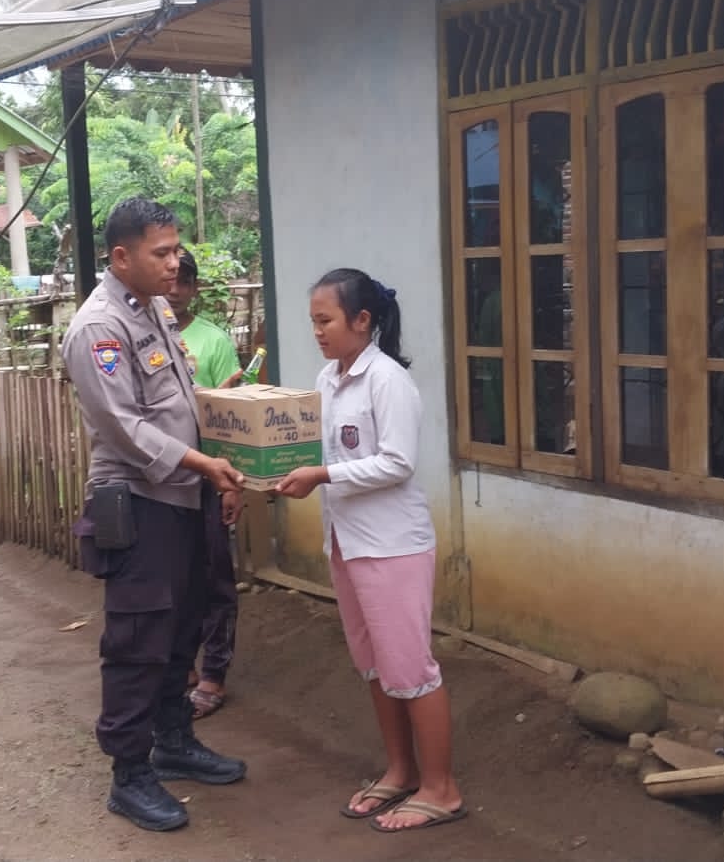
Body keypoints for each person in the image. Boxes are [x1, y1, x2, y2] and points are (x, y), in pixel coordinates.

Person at [61, 198, 248, 833]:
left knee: (185, 624)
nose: (175, 263)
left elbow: (181, 399)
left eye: (176, 250)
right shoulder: (99, 328)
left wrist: (218, 468)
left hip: (187, 495)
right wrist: (203, 465)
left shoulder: (156, 309)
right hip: (138, 501)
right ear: (121, 257)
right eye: (161, 253)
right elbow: (124, 428)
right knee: (139, 639)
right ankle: (130, 773)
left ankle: (173, 739)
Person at [274, 269, 467, 833]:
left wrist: (322, 475)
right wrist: (283, 466)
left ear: (362, 320)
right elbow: (327, 452)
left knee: (410, 667)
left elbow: (397, 463)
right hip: (348, 541)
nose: (317, 332)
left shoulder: (387, 380)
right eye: (313, 321)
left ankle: (442, 789)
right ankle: (401, 770)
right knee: (376, 665)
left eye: (325, 320)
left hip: (392, 547)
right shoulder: (329, 379)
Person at [165, 247, 242, 718]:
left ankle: (214, 672)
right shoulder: (145, 334)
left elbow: (233, 420)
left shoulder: (213, 341)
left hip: (210, 477)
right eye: (169, 279)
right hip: (163, 479)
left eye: (184, 281)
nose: (175, 290)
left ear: (194, 288)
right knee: (173, 578)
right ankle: (183, 666)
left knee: (215, 579)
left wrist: (231, 485)